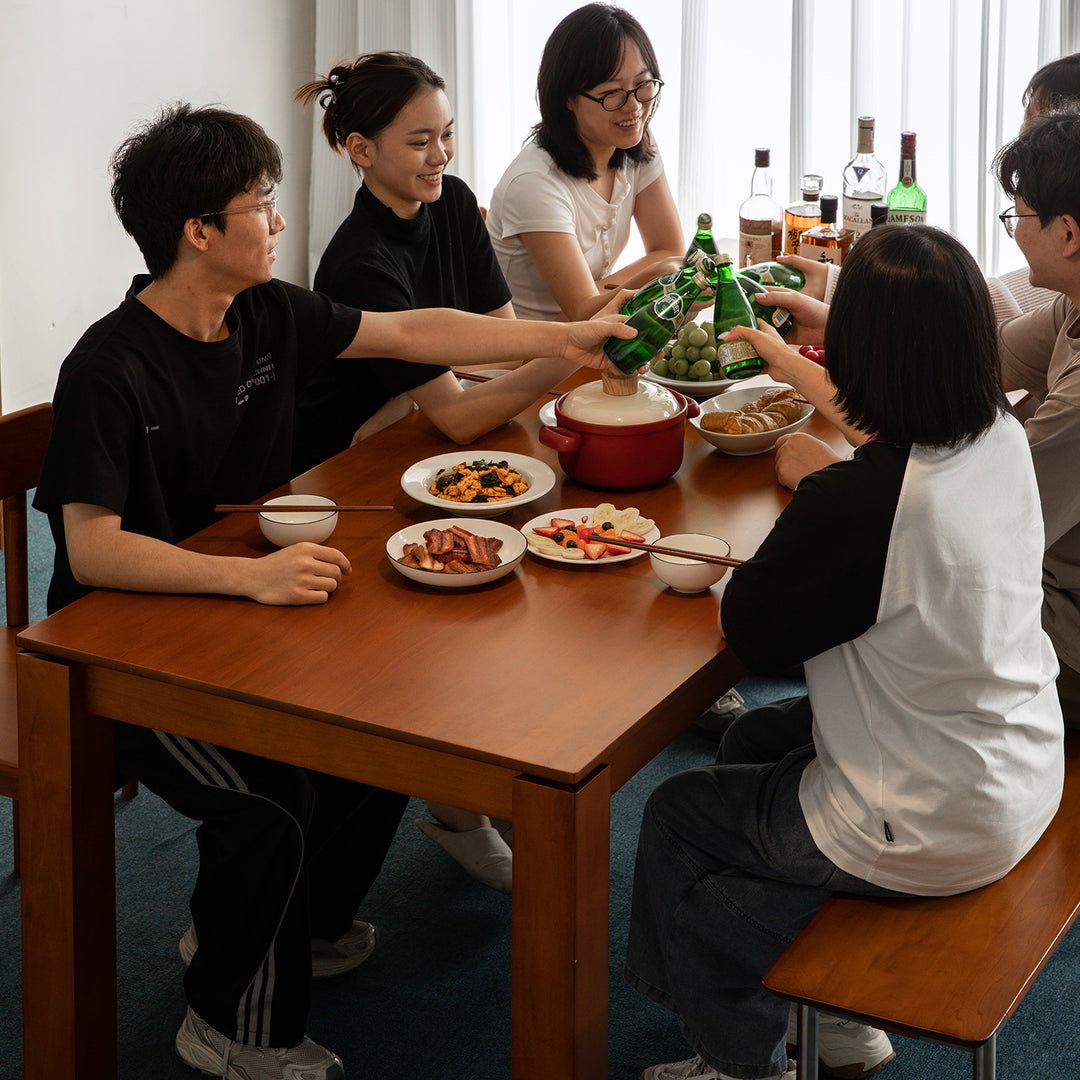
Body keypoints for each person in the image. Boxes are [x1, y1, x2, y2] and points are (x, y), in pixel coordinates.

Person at [32, 103, 631, 1080]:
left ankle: (289, 926)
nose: (277, 221)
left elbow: (407, 333)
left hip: (240, 597)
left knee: (385, 723)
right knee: (269, 797)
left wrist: (564, 339)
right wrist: (251, 576)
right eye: (261, 205)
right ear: (199, 233)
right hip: (119, 649)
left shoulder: (264, 312)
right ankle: (230, 1024)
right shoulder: (111, 365)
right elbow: (94, 551)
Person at [626, 224, 1064, 1080]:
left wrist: (816, 479)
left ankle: (746, 1061)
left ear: (861, 353)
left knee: (678, 817)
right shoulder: (996, 434)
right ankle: (841, 1023)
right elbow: (889, 440)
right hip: (1018, 760)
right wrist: (798, 386)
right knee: (754, 741)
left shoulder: (863, 502)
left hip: (931, 816)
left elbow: (750, 632)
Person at [292, 52, 610, 477]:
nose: (441, 155)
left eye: (447, 134)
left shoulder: (453, 202)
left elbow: (508, 345)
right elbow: (460, 419)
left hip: (418, 436)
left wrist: (409, 398)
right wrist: (578, 345)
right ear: (361, 149)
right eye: (421, 142)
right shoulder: (359, 266)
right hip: (354, 463)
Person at [485, 3, 685, 322]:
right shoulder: (534, 183)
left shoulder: (633, 141)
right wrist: (655, 275)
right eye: (612, 94)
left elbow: (670, 248)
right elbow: (582, 312)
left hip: (595, 335)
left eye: (643, 85)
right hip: (531, 357)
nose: (633, 107)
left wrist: (605, 294)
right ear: (567, 97)